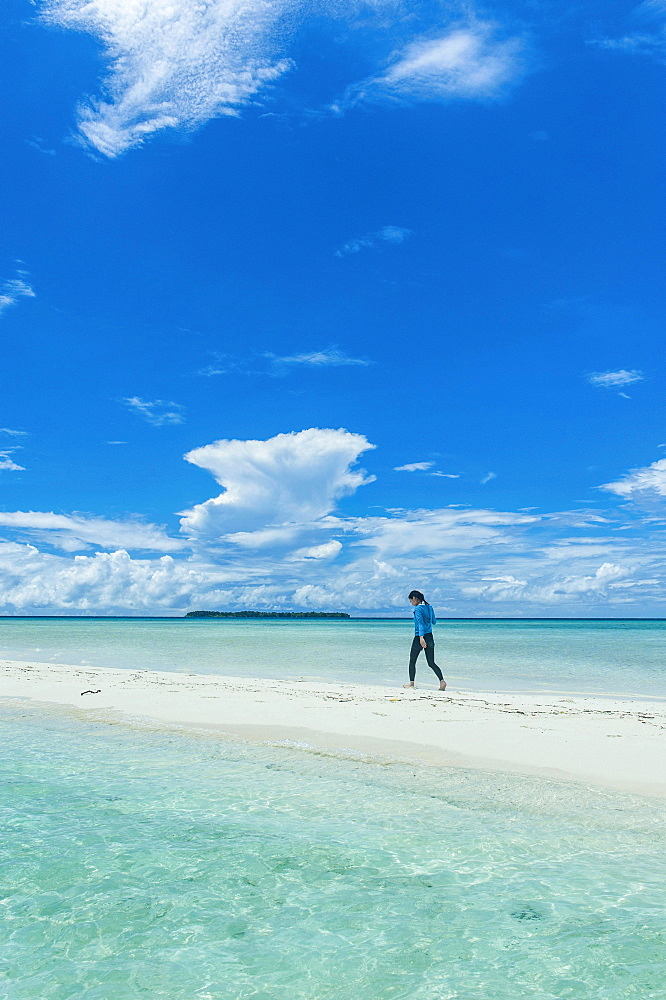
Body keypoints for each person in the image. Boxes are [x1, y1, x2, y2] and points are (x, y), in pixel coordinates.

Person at [403, 590, 446, 690]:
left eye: (411, 601)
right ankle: (442, 681)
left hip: (420, 637)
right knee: (431, 662)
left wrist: (421, 638)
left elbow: (420, 624)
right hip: (430, 636)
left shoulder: (418, 609)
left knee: (412, 661)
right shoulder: (430, 607)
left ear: (414, 598)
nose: (411, 603)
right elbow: (434, 622)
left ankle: (411, 684)